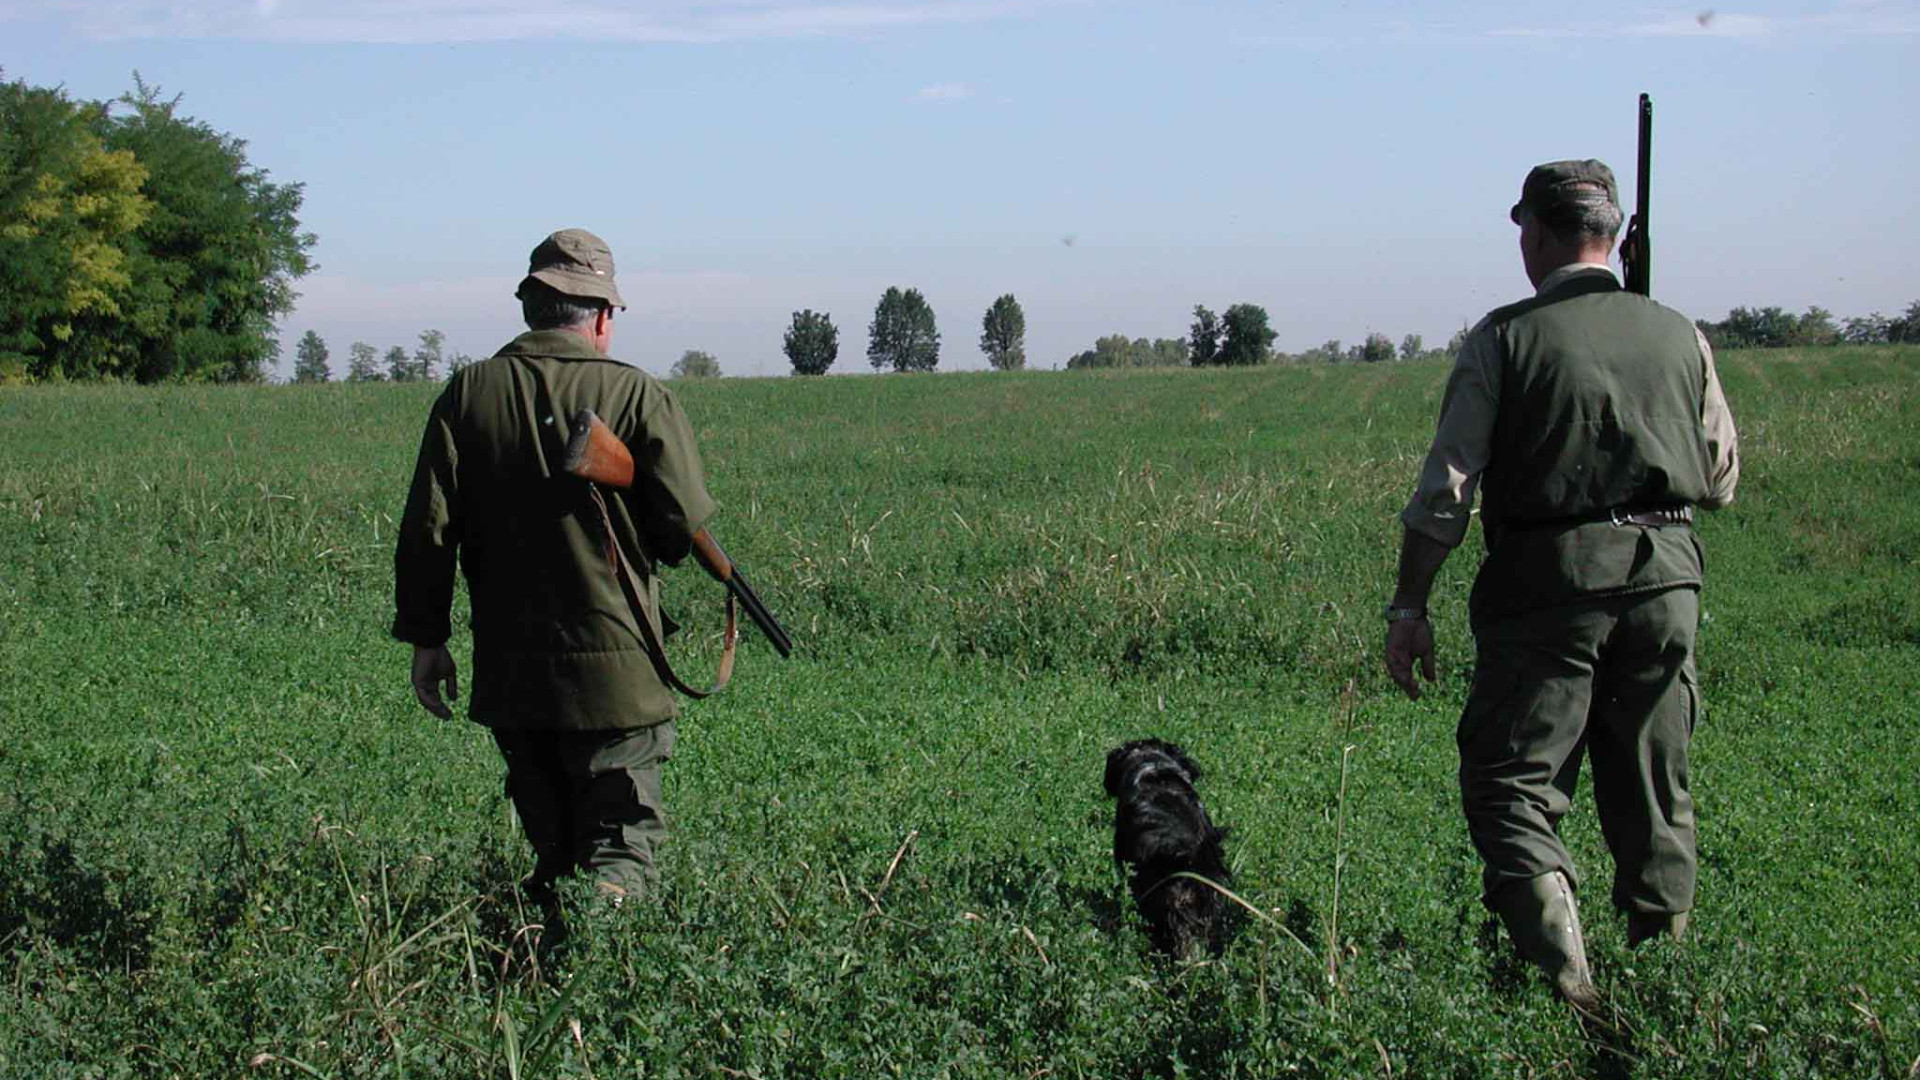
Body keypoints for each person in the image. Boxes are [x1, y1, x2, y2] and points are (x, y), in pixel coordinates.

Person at [1383, 160, 1739, 1010]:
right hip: (1668, 582)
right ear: (1612, 237)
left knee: (1512, 787)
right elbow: (1721, 478)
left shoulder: (1504, 338)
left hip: (1549, 583)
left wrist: (1410, 605)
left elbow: (1446, 494)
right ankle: (1664, 994)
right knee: (1654, 788)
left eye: (1523, 230)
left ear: (1536, 233)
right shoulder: (1679, 332)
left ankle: (1568, 984)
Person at [392, 228, 718, 904]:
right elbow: (679, 533)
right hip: (621, 673)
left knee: (555, 853)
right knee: (619, 855)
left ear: (530, 307)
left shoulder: (467, 393)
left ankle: (539, 974)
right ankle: (595, 983)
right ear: (602, 315)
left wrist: (429, 639)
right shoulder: (638, 394)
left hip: (515, 676)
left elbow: (427, 530)